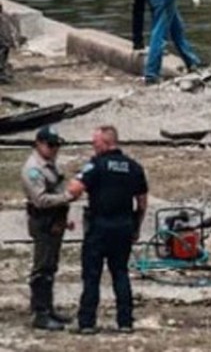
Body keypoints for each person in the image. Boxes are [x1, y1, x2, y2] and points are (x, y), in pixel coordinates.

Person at [67, 126, 147, 335]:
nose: (93, 147)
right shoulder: (134, 167)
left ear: (106, 143)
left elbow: (74, 189)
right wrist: (136, 225)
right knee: (121, 274)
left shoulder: (96, 165)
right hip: (123, 227)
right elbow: (142, 201)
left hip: (99, 227)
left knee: (92, 275)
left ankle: (87, 322)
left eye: (95, 143)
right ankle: (125, 321)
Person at [22, 126, 80, 331]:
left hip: (55, 220)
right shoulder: (33, 169)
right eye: (50, 145)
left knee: (51, 266)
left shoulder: (50, 165)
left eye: (57, 145)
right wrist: (68, 197)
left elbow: (57, 188)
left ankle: (48, 307)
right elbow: (40, 200)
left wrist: (65, 216)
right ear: (39, 144)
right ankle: (40, 312)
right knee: (43, 267)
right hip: (43, 221)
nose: (54, 149)